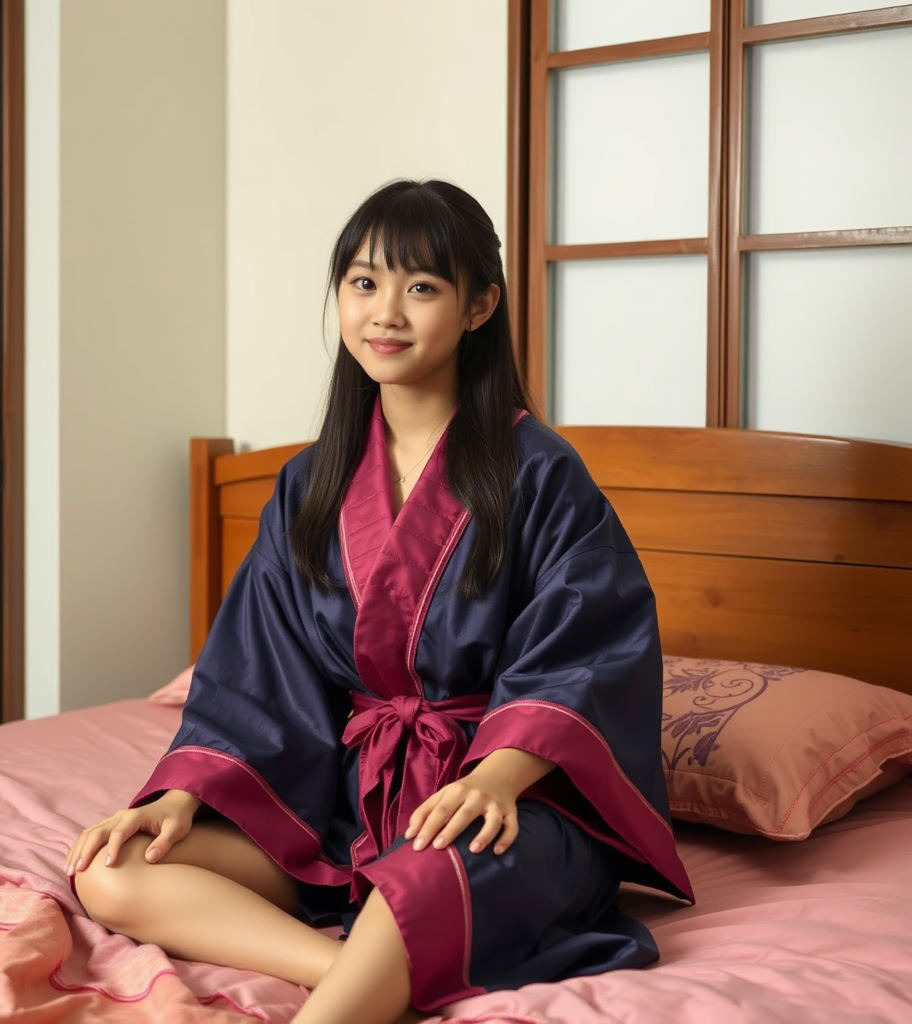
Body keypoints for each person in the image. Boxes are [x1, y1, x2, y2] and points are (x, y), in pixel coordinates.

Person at [67, 179, 693, 1024]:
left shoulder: (542, 473)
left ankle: (370, 973)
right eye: (364, 283)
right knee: (115, 868)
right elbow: (257, 670)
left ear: (479, 307)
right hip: (350, 797)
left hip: (501, 805)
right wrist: (187, 790)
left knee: (429, 880)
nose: (385, 312)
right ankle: (355, 967)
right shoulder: (307, 483)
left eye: (421, 287)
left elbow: (590, 648)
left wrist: (499, 774)